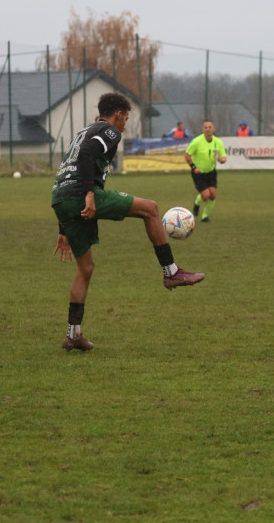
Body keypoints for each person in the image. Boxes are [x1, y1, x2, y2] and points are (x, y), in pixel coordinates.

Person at [52, 92, 205, 351]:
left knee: (85, 268)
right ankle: (171, 272)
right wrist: (90, 194)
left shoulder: (84, 131)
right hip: (81, 195)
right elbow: (88, 155)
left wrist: (63, 226)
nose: (125, 123)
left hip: (61, 198)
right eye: (126, 117)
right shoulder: (109, 131)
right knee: (151, 209)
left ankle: (73, 335)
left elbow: (69, 166)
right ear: (119, 114)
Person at [184, 120, 227, 223]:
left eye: (210, 127)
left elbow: (223, 158)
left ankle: (205, 216)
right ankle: (197, 203)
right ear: (203, 129)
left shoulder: (218, 142)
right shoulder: (196, 142)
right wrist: (194, 168)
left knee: (212, 195)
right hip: (198, 173)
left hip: (211, 172)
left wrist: (222, 160)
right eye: (206, 127)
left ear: (213, 129)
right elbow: (187, 155)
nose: (208, 129)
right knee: (205, 195)